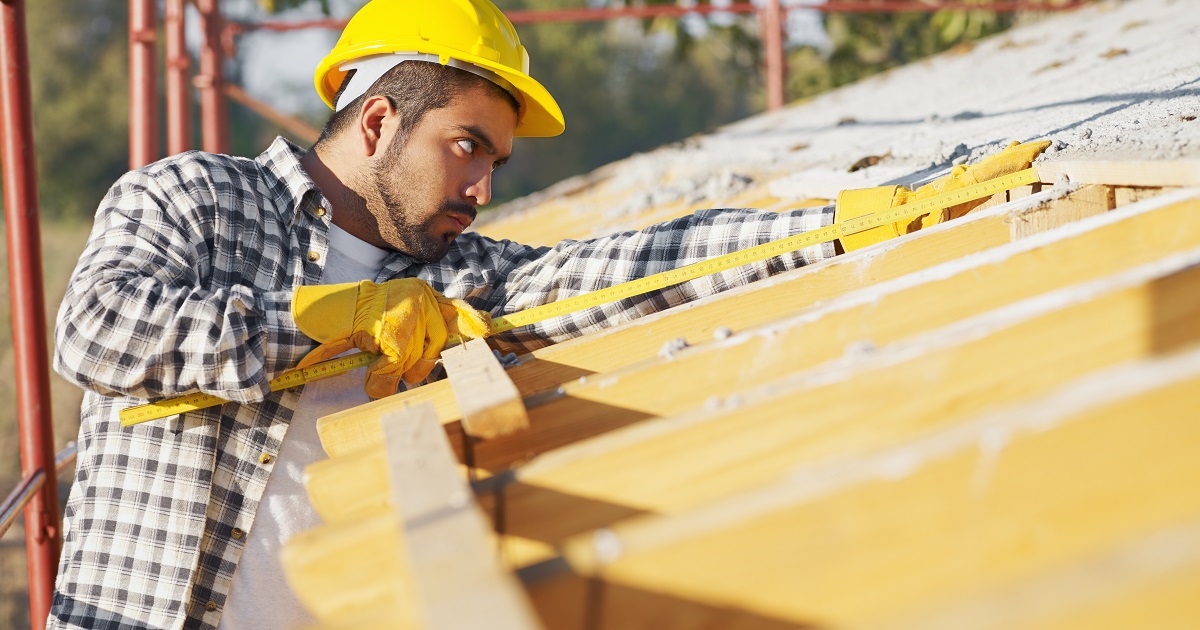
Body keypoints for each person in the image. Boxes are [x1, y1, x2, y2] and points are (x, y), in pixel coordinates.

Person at [46, 0, 1046, 628]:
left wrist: (849, 224)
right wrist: (327, 317)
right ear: (381, 119)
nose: (482, 187)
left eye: (496, 162)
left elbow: (615, 267)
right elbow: (96, 332)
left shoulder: (452, 283)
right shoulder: (195, 197)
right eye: (469, 146)